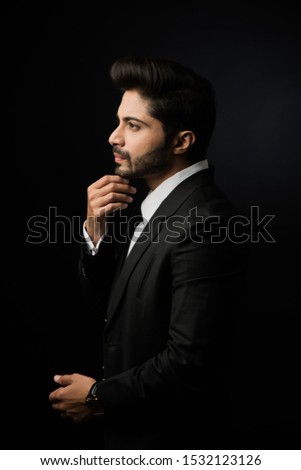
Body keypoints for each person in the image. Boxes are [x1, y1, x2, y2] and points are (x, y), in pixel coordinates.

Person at [49, 56, 249, 450]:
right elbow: (116, 311)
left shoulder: (206, 220)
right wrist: (96, 231)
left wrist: (98, 398)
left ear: (182, 141)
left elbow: (190, 365)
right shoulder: (161, 206)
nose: (114, 137)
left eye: (133, 125)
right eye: (119, 120)